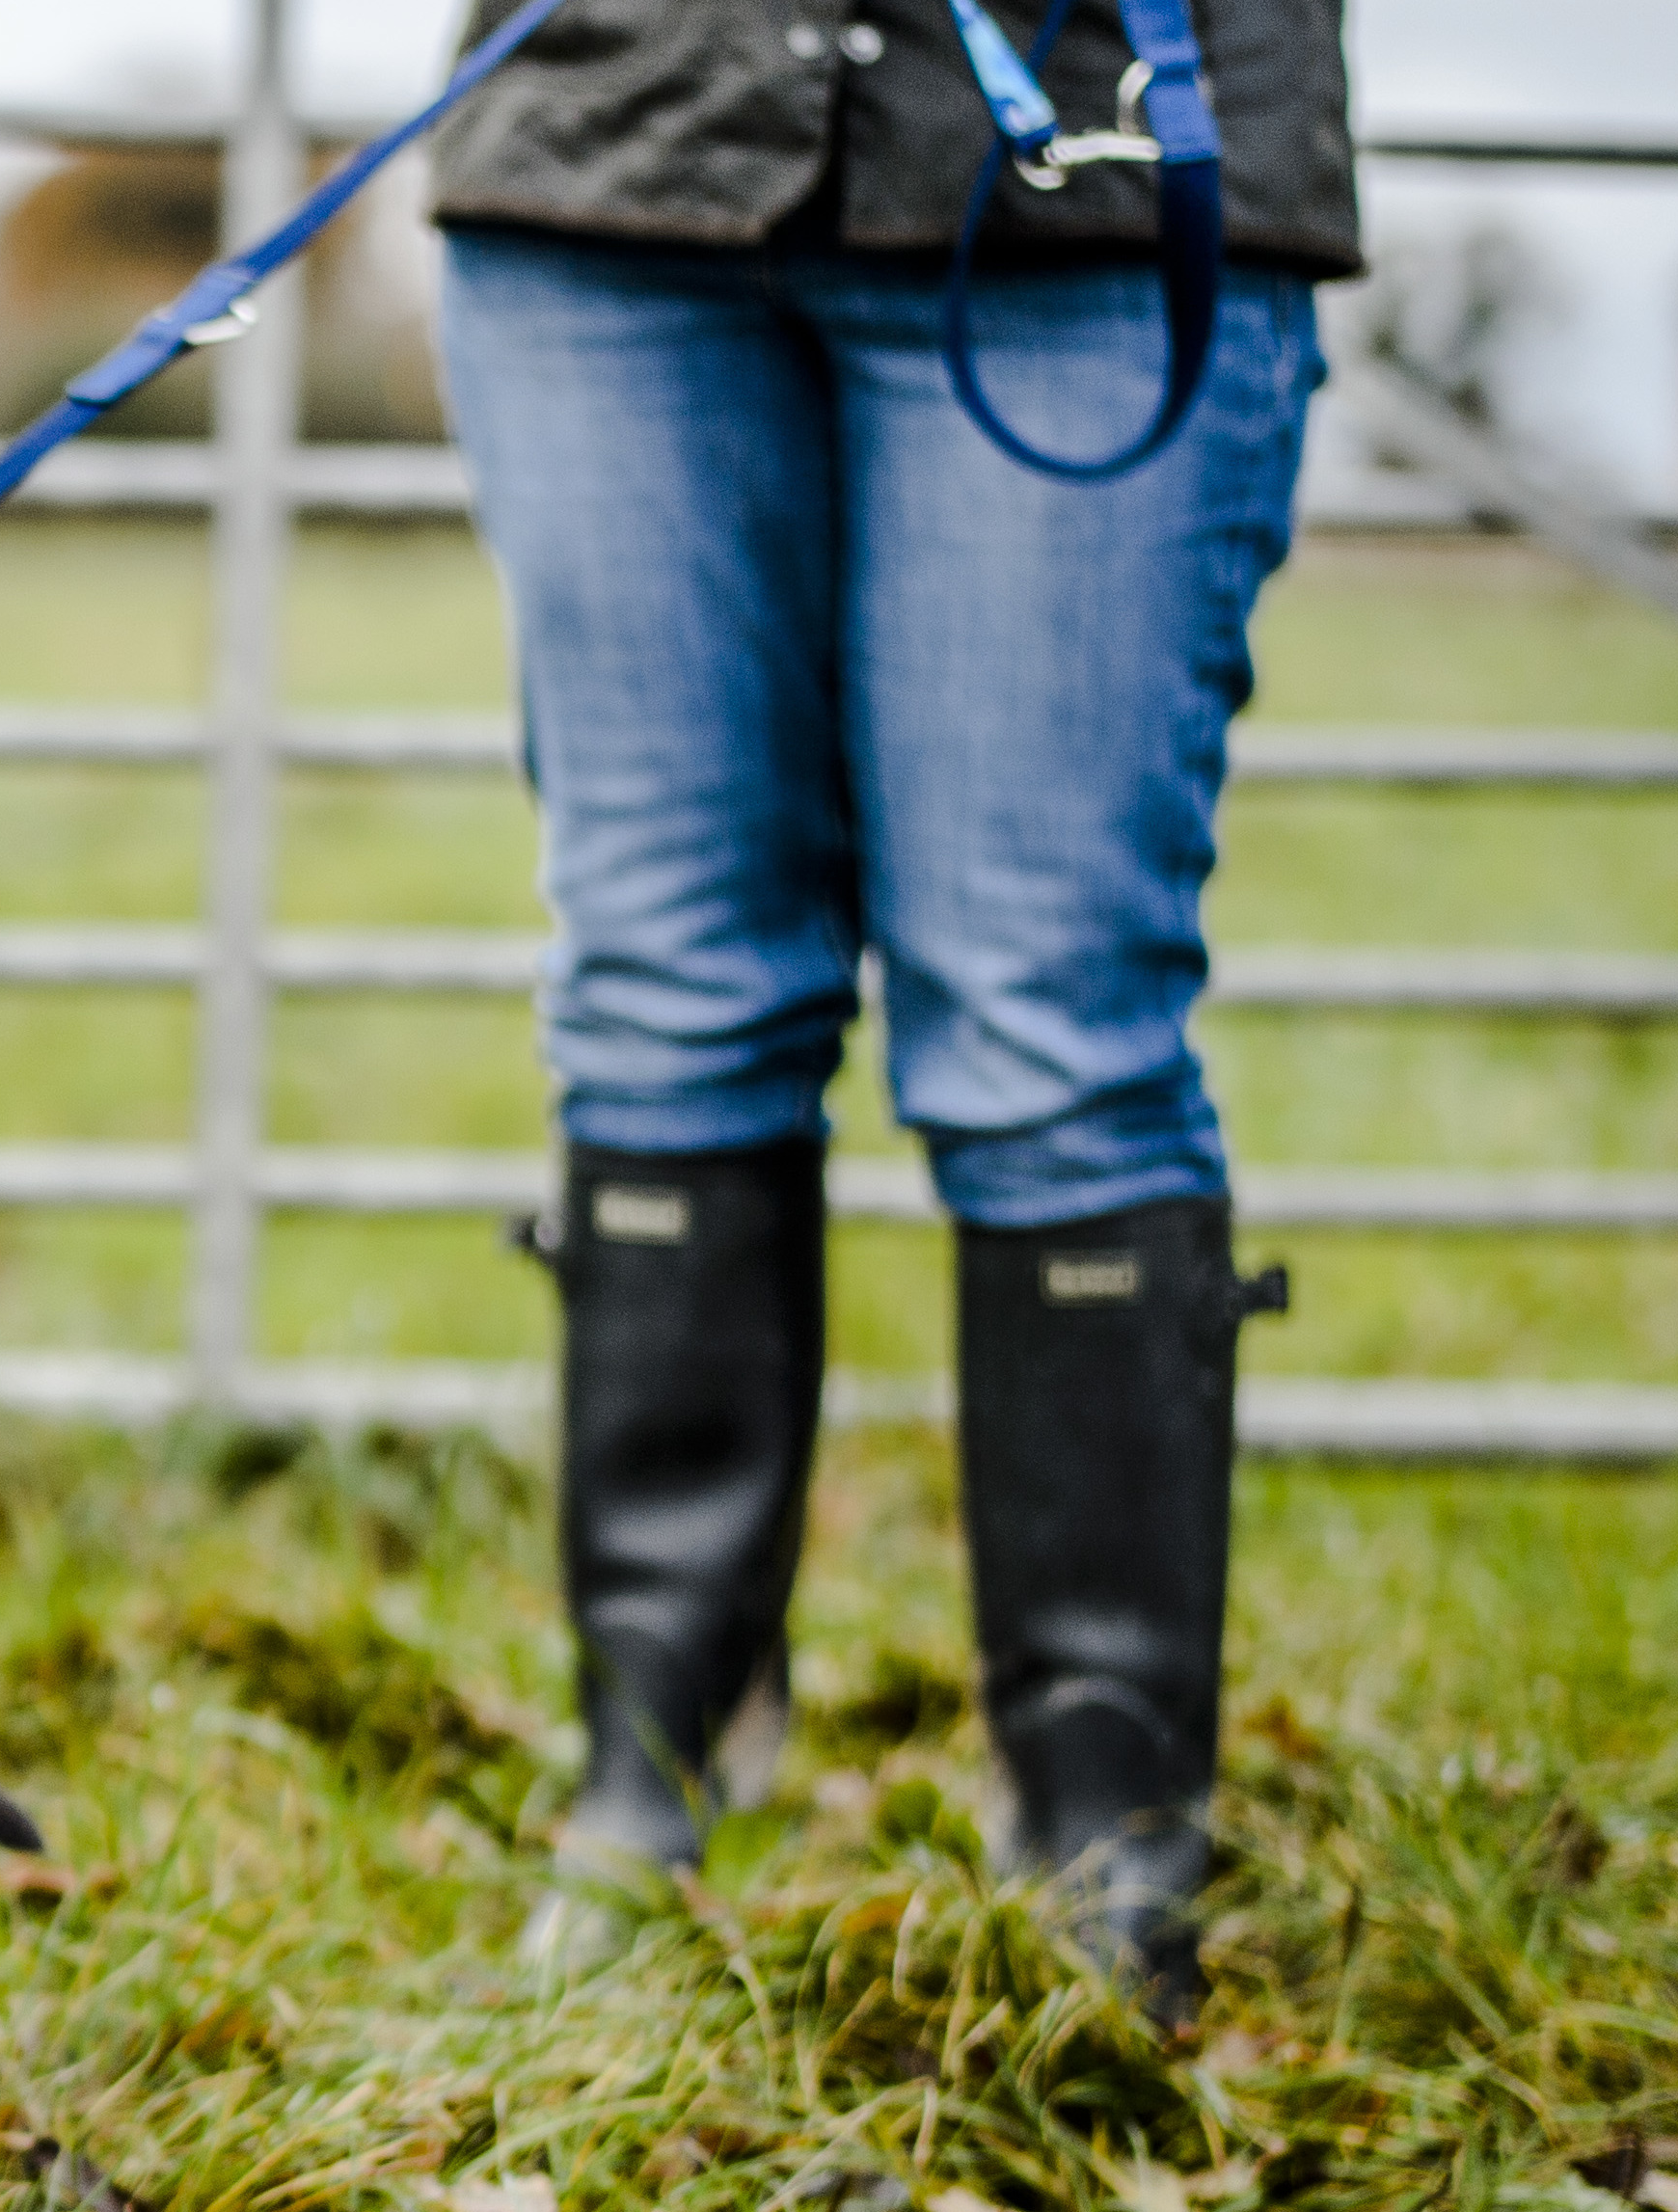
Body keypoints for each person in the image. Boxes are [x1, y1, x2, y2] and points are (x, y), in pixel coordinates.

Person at [419, 0, 1357, 2017]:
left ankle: (1106, 1834)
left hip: (1088, 151)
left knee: (1050, 1024)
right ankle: (648, 1778)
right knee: (661, 981)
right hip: (612, 143)